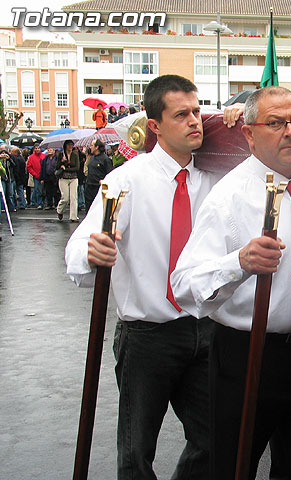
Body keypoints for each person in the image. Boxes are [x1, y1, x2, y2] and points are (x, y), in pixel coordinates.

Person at [171, 86, 291, 480]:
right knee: (233, 467)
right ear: (249, 133)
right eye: (276, 123)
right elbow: (184, 284)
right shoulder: (228, 197)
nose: (290, 131)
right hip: (248, 356)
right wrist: (240, 262)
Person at [65, 74, 220, 480]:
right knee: (136, 451)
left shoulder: (215, 181)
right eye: (181, 114)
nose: (195, 121)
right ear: (154, 125)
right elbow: (77, 249)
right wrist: (91, 251)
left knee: (213, 440)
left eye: (198, 111)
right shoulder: (125, 182)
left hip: (204, 330)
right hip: (147, 336)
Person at [84, 138, 113, 209]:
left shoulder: (105, 159)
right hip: (89, 186)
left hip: (98, 187)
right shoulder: (92, 158)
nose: (90, 147)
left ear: (97, 147)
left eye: (92, 145)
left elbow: (110, 173)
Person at [56, 140, 79, 222]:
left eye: (71, 145)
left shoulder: (75, 155)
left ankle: (73, 217)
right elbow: (57, 166)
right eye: (68, 145)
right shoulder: (61, 155)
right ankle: (60, 210)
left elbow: (77, 168)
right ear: (65, 146)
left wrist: (66, 168)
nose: (70, 147)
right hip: (63, 178)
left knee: (73, 197)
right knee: (65, 198)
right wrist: (62, 162)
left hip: (73, 178)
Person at [26, 144, 46, 210]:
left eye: (38, 148)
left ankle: (46, 202)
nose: (37, 149)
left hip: (44, 175)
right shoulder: (31, 157)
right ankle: (39, 203)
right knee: (38, 190)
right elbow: (29, 167)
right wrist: (34, 174)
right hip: (36, 176)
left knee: (45, 190)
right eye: (36, 148)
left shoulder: (44, 156)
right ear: (34, 149)